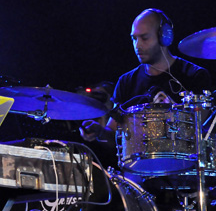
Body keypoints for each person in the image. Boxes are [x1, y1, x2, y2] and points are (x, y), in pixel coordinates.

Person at [80, 8, 211, 144]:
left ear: (164, 37)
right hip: (138, 163)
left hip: (184, 162)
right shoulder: (126, 82)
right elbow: (113, 132)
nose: (137, 45)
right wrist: (99, 131)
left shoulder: (194, 75)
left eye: (144, 38)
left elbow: (201, 133)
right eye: (134, 38)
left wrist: (173, 114)